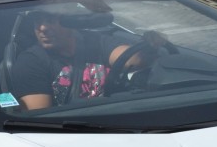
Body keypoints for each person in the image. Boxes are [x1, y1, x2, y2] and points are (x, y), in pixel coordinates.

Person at [11, 8, 150, 110]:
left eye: (50, 20)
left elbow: (134, 60)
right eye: (37, 22)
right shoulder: (30, 62)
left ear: (71, 22)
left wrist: (152, 45)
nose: (42, 28)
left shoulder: (95, 42)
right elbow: (40, 118)